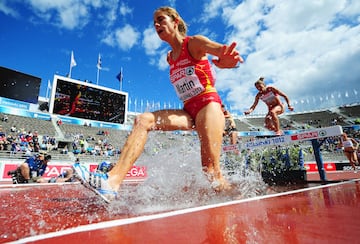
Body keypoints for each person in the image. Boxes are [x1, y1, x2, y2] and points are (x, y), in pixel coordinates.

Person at [73, 6, 243, 201]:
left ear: (175, 21)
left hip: (208, 105)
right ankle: (112, 182)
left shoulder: (194, 43)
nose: (156, 25)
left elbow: (221, 51)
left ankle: (238, 197)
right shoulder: (169, 58)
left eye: (161, 20)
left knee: (211, 172)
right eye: (154, 22)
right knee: (143, 120)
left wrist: (226, 60)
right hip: (188, 111)